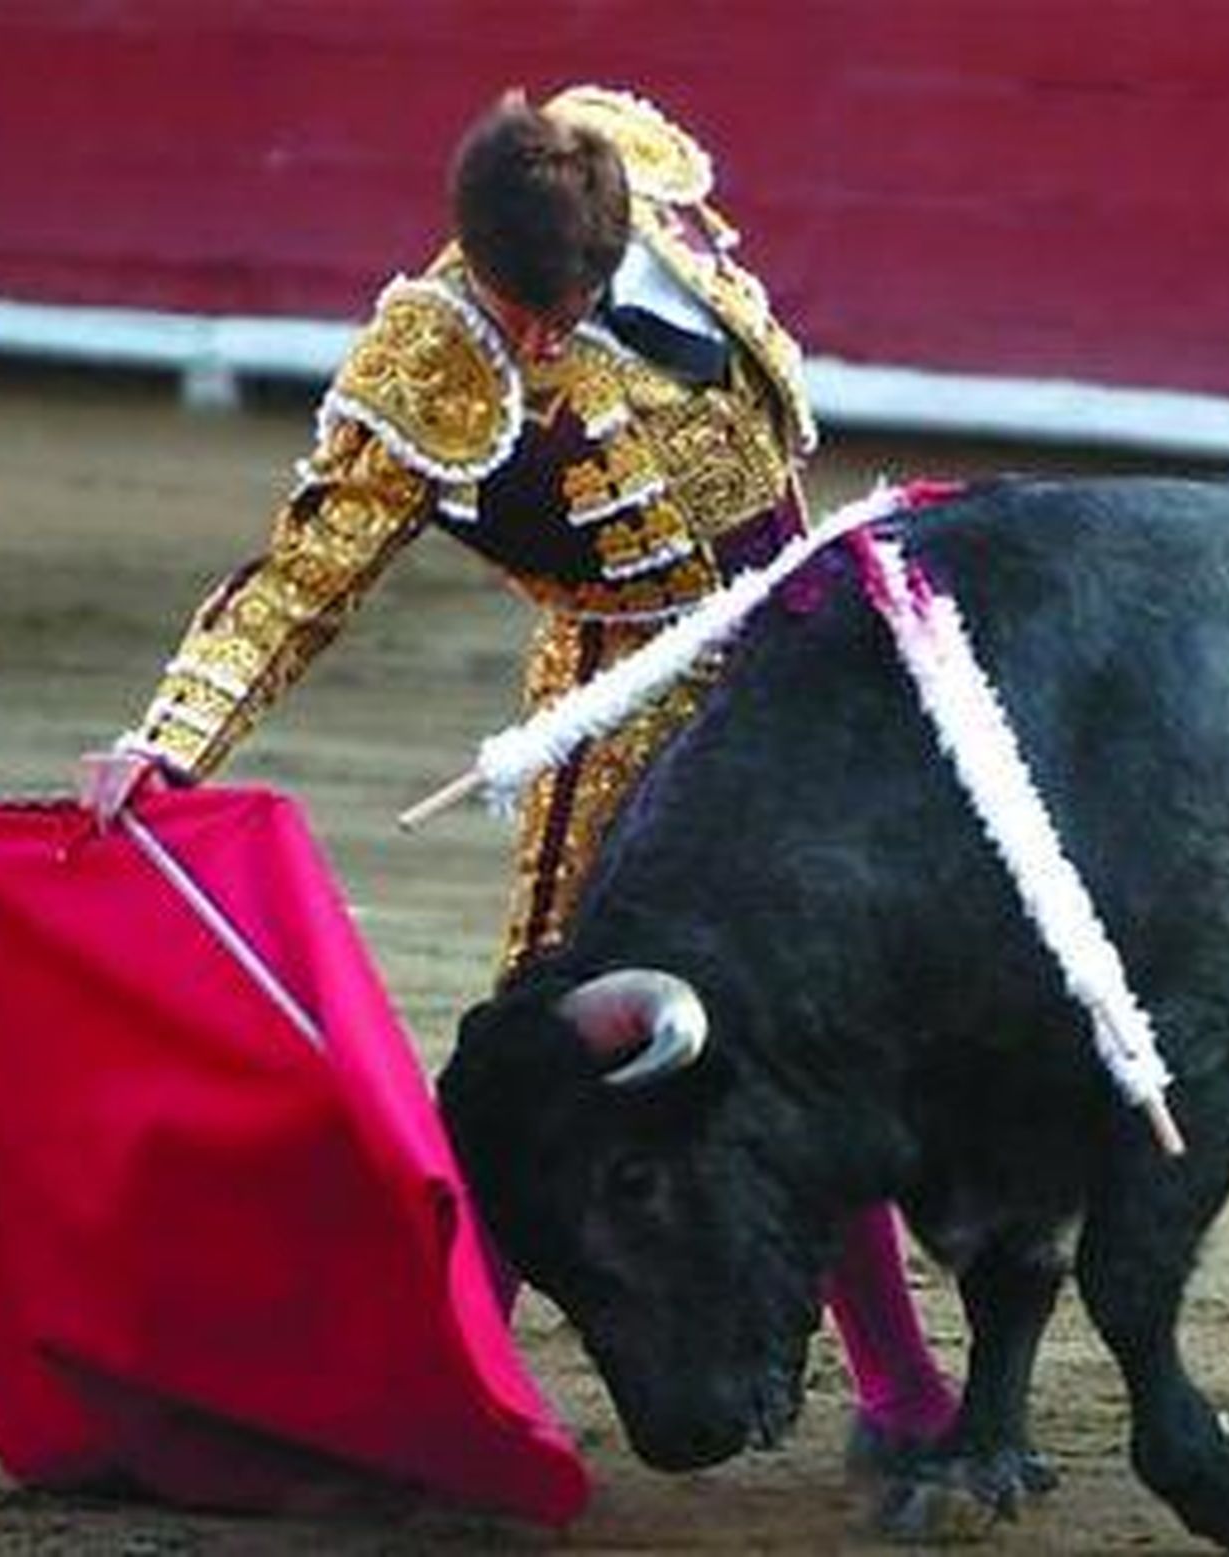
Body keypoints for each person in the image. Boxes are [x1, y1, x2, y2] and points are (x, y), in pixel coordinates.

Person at [84, 84, 959, 1471]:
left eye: (560, 306)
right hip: (619, 724)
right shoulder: (430, 355)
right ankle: (465, 1393)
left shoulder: (647, 183)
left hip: (804, 674)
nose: (539, 336)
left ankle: (907, 1389)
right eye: (518, 309)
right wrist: (169, 736)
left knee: (817, 1030)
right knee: (534, 1067)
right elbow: (305, 574)